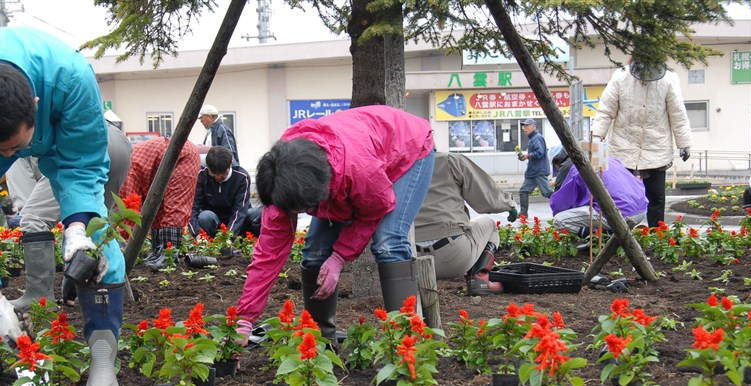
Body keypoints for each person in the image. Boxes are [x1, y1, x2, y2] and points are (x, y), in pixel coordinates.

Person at [0, 27, 127, 386]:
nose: (7, 158)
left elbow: (82, 165)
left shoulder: (71, 78)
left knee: (97, 238)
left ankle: (102, 355)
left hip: (60, 130)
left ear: (34, 104)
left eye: (14, 148)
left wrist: (78, 231)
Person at [234, 105, 435, 346]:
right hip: (355, 155)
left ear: (319, 190)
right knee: (315, 252)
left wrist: (339, 258)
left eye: (303, 210)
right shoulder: (283, 178)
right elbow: (269, 253)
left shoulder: (359, 170)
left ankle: (407, 345)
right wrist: (244, 319)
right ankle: (321, 341)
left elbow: (376, 208)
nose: (297, 214)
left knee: (389, 242)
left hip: (408, 147)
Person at [5, 122, 132, 309]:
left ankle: (39, 297)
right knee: (94, 223)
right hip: (118, 143)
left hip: (81, 149)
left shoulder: (10, 146)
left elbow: (31, 214)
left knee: (34, 220)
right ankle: (107, 295)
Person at [591, 57, 692, 228]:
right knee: (622, 196)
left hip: (656, 147)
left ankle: (656, 236)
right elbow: (605, 110)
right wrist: (595, 138)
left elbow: (677, 114)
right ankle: (621, 235)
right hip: (624, 146)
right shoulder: (621, 76)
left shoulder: (669, 78)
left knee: (657, 197)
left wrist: (684, 142)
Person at [414, 152, 517, 296]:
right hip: (454, 255)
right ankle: (479, 279)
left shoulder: (396, 165)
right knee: (489, 225)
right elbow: (487, 199)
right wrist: (509, 205)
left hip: (411, 260)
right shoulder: (450, 161)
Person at [119, 136, 201, 269]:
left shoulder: (124, 172)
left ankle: (169, 256)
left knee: (175, 205)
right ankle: (159, 252)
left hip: (182, 155)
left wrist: (127, 248)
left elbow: (129, 212)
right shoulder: (124, 165)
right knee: (159, 210)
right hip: (164, 157)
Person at [549, 156, 648, 237]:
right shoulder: (609, 158)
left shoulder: (578, 168)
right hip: (641, 209)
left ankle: (599, 236)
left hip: (617, 214)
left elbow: (562, 203)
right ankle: (608, 233)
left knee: (559, 220)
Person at [188, 146, 261, 241]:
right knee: (204, 217)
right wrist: (197, 233)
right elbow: (192, 208)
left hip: (237, 221)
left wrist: (229, 237)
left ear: (230, 165)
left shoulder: (242, 177)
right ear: (208, 167)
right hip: (213, 220)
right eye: (213, 173)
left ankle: (247, 238)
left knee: (258, 213)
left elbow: (240, 211)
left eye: (222, 174)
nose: (218, 177)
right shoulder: (202, 175)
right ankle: (211, 240)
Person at [516, 118, 552, 218]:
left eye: (527, 126)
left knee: (547, 192)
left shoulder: (537, 137)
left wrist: (527, 155)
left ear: (534, 126)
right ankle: (523, 213)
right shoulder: (533, 138)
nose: (524, 128)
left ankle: (564, 205)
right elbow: (534, 154)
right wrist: (525, 157)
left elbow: (539, 153)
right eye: (524, 126)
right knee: (523, 191)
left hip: (539, 171)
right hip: (533, 172)